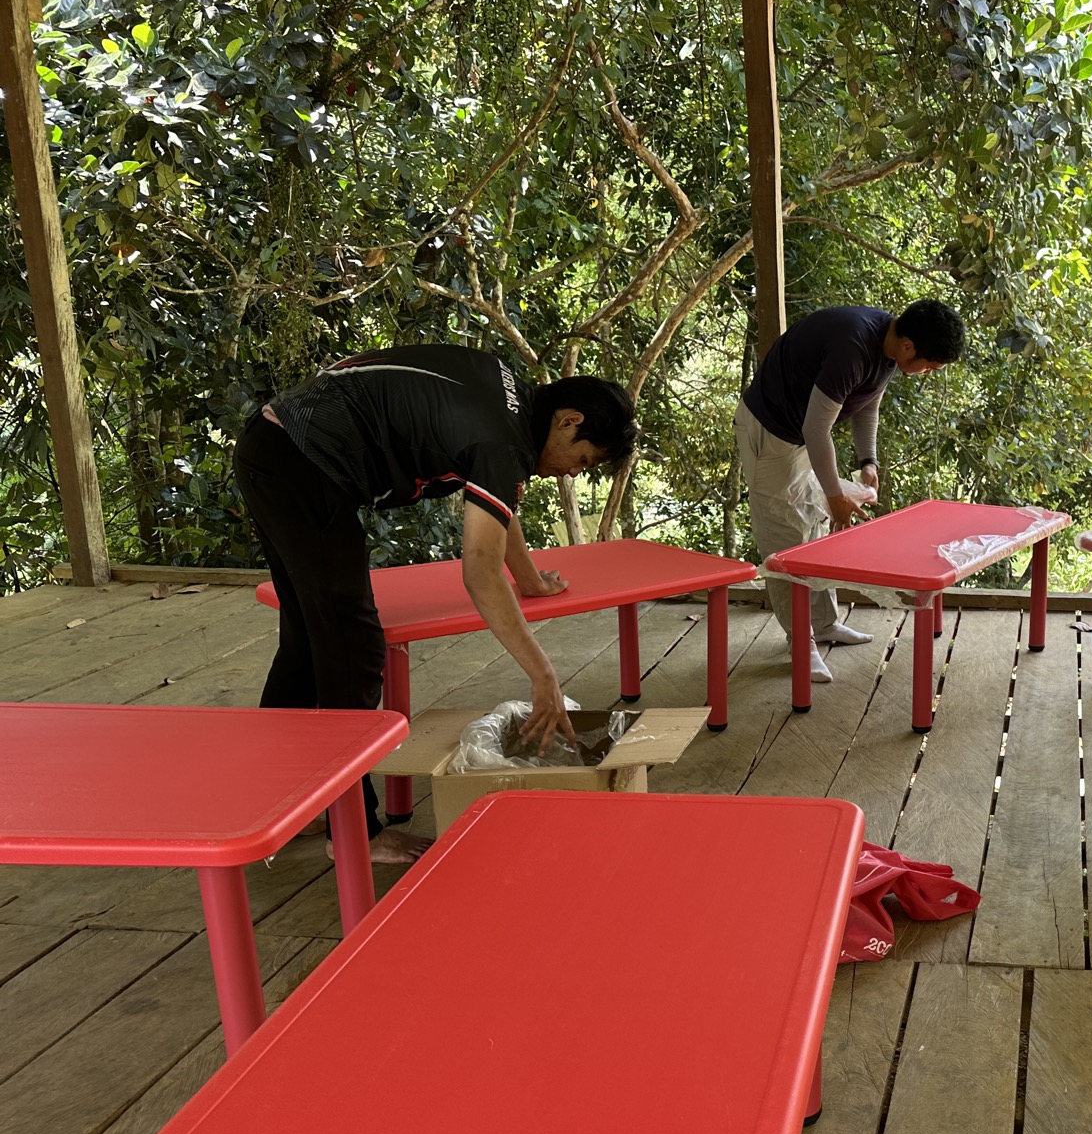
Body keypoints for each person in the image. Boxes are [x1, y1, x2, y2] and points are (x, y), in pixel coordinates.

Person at [234, 345, 637, 863]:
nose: (570, 473)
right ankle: (353, 832)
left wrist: (531, 579)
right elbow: (479, 572)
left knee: (311, 640)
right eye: (582, 460)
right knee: (352, 649)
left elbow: (499, 502)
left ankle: (283, 805)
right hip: (303, 465)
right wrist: (544, 676)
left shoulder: (509, 399)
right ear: (568, 422)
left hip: (274, 447)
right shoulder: (502, 440)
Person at [736, 299, 965, 683]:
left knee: (816, 531)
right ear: (909, 346)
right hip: (771, 432)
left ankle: (825, 625)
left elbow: (867, 405)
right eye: (930, 365)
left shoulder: (889, 351)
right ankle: (800, 643)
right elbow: (816, 430)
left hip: (800, 439)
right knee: (785, 542)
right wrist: (835, 494)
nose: (926, 373)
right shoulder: (852, 347)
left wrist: (868, 461)